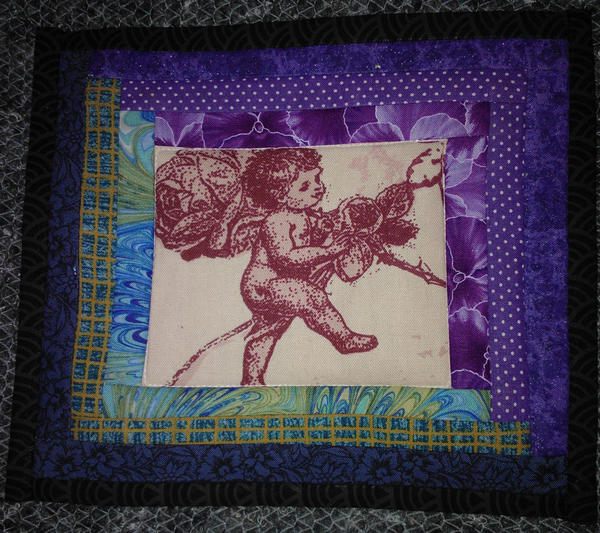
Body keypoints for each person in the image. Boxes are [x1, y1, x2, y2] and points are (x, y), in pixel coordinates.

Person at [240, 148, 378, 386]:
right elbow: (287, 257)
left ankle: (251, 379)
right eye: (304, 186)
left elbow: (311, 237)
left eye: (316, 179)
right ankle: (343, 338)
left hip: (282, 287)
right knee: (313, 298)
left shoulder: (303, 214)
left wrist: (327, 229)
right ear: (280, 195)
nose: (317, 187)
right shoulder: (276, 221)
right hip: (264, 286)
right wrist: (329, 251)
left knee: (268, 332)